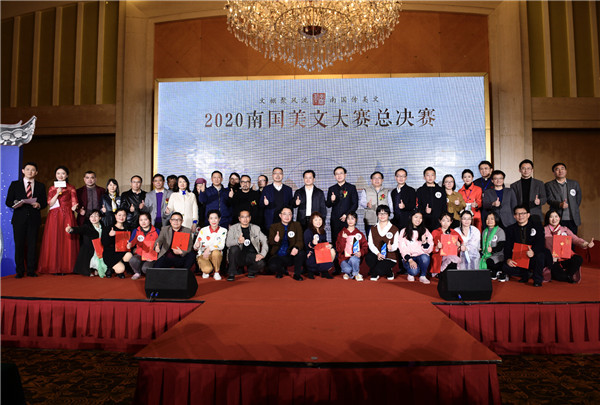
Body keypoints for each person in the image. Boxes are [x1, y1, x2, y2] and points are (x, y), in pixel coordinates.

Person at [5, 162, 48, 278]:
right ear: (23, 171)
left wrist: (38, 204)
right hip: (19, 219)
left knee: (32, 245)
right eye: (28, 169)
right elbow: (8, 201)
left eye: (33, 170)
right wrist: (16, 203)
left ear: (36, 172)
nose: (30, 172)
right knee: (19, 245)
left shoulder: (40, 186)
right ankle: (19, 271)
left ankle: (31, 270)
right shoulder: (15, 184)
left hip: (34, 219)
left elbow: (44, 202)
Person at [38, 165, 79, 275]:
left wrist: (75, 207)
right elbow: (50, 203)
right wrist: (57, 192)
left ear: (67, 175)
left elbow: (74, 202)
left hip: (67, 215)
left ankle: (66, 267)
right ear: (55, 175)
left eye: (63, 173)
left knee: (67, 240)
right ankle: (54, 267)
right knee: (54, 239)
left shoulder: (71, 187)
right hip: (54, 216)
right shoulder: (52, 188)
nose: (60, 175)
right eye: (58, 173)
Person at [544, 209, 594, 283]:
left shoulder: (565, 229)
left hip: (565, 258)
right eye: (551, 217)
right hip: (553, 260)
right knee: (560, 276)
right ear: (548, 219)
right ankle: (567, 276)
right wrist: (550, 257)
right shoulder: (544, 230)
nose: (554, 219)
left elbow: (575, 239)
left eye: (556, 216)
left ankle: (567, 275)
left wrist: (586, 244)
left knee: (578, 259)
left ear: (559, 218)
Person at [502, 205, 545, 287]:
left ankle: (537, 280)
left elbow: (541, 243)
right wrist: (508, 259)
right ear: (514, 216)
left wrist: (533, 252)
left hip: (532, 256)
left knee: (541, 255)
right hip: (519, 258)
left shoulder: (537, 226)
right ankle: (526, 273)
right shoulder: (510, 229)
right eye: (517, 214)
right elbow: (507, 246)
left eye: (523, 213)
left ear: (528, 215)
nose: (520, 216)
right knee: (505, 267)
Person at [225, 210, 268, 281]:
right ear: (239, 218)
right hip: (239, 255)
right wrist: (238, 241)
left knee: (261, 263)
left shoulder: (256, 228)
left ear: (250, 218)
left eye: (247, 217)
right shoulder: (233, 228)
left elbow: (264, 240)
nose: (245, 219)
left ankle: (251, 271)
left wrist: (262, 254)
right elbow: (228, 243)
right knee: (233, 249)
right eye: (242, 217)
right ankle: (232, 273)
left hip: (251, 255)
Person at [66, 209, 107, 277]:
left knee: (105, 269)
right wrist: (71, 229)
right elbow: (79, 229)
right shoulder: (87, 226)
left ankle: (96, 269)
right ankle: (91, 269)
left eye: (96, 216)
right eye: (91, 216)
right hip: (90, 250)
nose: (93, 218)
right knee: (90, 262)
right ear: (89, 218)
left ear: (100, 218)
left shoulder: (102, 225)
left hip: (100, 249)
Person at [267, 207, 305, 280]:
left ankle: (297, 274)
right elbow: (270, 242)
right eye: (284, 214)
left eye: (289, 214)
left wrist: (296, 247)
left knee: (301, 253)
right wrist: (275, 240)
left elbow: (300, 240)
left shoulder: (297, 225)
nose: (287, 216)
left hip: (291, 254)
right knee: (272, 266)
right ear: (280, 215)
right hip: (278, 255)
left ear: (292, 216)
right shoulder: (274, 226)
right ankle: (281, 271)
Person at [326, 166, 359, 249]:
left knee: (349, 240)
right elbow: (328, 204)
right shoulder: (331, 189)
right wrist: (332, 200)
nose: (339, 175)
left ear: (345, 175)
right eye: (337, 174)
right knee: (336, 240)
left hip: (348, 219)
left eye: (341, 173)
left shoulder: (351, 188)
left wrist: (346, 215)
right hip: (335, 219)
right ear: (334, 176)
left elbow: (355, 204)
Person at [545, 163, 582, 235]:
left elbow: (578, 199)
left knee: (572, 239)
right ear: (554, 173)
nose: (560, 171)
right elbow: (549, 199)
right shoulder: (549, 185)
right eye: (557, 169)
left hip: (573, 218)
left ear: (566, 171)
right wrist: (560, 204)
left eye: (562, 169)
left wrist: (573, 207)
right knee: (559, 240)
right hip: (558, 219)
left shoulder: (574, 184)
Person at [365, 205, 400, 281]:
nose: (382, 215)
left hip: (389, 257)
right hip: (377, 255)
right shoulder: (373, 228)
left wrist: (391, 248)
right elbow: (370, 244)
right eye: (380, 213)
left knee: (380, 270)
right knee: (369, 258)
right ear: (377, 215)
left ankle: (388, 272)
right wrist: (378, 253)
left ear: (388, 214)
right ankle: (376, 271)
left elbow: (396, 245)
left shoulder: (394, 229)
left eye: (385, 213)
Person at [399, 211, 433, 284]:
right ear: (411, 217)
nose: (418, 220)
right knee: (414, 271)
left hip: (421, 256)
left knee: (425, 257)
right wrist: (410, 260)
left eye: (420, 218)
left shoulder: (425, 231)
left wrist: (424, 243)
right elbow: (402, 248)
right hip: (409, 257)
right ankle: (411, 273)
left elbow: (429, 249)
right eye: (416, 217)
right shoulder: (404, 231)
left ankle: (423, 276)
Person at [510, 159, 547, 223]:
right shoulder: (514, 185)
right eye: (523, 168)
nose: (526, 171)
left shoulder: (539, 183)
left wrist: (539, 201)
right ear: (519, 170)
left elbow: (544, 198)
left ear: (532, 170)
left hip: (535, 214)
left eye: (528, 168)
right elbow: (513, 202)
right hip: (520, 215)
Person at [194, 209, 227, 280]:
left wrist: (209, 249)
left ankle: (216, 272)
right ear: (208, 220)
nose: (213, 221)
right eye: (211, 218)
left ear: (219, 219)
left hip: (215, 254)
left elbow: (221, 245)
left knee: (216, 253)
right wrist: (197, 246)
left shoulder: (223, 230)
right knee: (207, 270)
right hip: (203, 254)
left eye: (216, 218)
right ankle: (206, 269)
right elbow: (195, 247)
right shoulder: (203, 230)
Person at [335, 211, 368, 281]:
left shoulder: (359, 234)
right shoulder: (342, 233)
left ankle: (354, 273)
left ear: (356, 220)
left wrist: (361, 252)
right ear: (346, 220)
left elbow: (365, 247)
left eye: (352, 218)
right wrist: (343, 239)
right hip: (344, 259)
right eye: (348, 218)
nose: (350, 221)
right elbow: (339, 249)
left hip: (355, 257)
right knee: (347, 269)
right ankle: (352, 272)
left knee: (354, 259)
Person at [127, 212, 160, 280]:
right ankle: (137, 272)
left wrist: (157, 250)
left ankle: (145, 269)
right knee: (133, 260)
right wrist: (129, 244)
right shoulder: (136, 231)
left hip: (151, 256)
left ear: (150, 220)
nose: (143, 222)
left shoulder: (157, 231)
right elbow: (132, 241)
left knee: (145, 269)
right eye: (141, 220)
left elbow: (160, 243)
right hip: (140, 254)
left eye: (145, 219)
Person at [303, 212, 336, 279]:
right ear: (311, 221)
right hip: (311, 251)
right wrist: (312, 243)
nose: (318, 222)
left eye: (320, 219)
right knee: (311, 257)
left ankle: (325, 271)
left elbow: (325, 242)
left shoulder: (323, 231)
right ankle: (311, 271)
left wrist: (329, 245)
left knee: (332, 250)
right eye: (316, 220)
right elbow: (307, 245)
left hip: (321, 251)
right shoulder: (308, 231)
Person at [101, 208, 132, 278]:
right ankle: (110, 268)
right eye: (119, 215)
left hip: (122, 252)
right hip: (110, 253)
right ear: (115, 216)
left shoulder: (128, 228)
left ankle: (117, 266)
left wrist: (130, 244)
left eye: (124, 215)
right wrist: (110, 236)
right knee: (120, 269)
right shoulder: (108, 228)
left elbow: (131, 242)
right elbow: (104, 243)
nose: (121, 217)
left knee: (129, 255)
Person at [360, 171, 390, 236]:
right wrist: (367, 204)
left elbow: (390, 206)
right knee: (370, 238)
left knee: (384, 239)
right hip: (370, 220)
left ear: (382, 180)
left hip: (384, 220)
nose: (376, 180)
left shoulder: (387, 191)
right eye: (374, 178)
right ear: (371, 180)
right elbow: (362, 202)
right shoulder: (366, 190)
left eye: (379, 178)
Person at [480, 212, 507, 281]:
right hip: (486, 254)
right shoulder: (484, 231)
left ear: (496, 220)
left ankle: (498, 271)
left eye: (492, 219)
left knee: (489, 261)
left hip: (498, 254)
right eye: (487, 219)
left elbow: (501, 246)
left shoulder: (500, 231)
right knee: (478, 261)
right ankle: (493, 271)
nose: (489, 221)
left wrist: (493, 249)